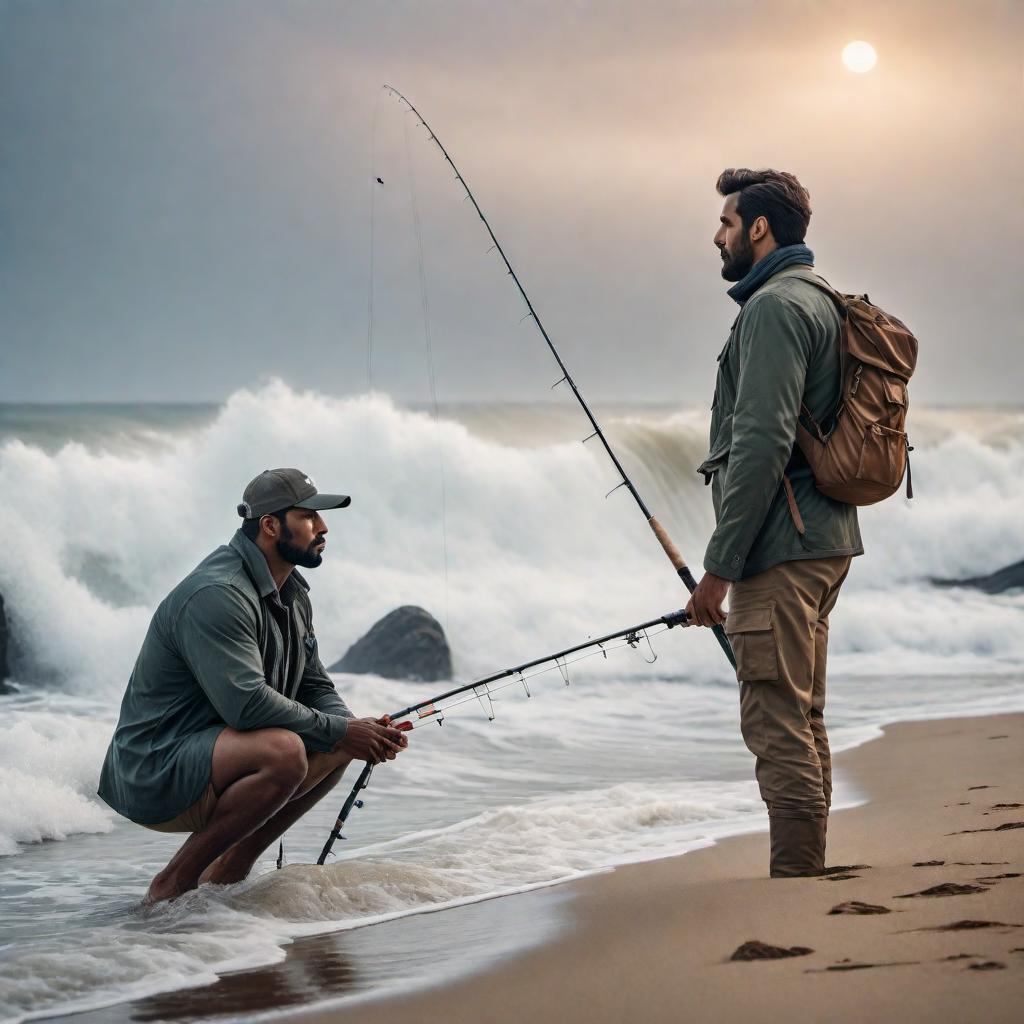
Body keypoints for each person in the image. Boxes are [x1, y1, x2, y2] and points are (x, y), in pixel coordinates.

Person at [98, 468, 409, 903]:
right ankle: (173, 884)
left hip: (214, 753)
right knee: (285, 751)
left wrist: (353, 728)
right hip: (153, 767)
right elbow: (246, 706)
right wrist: (341, 729)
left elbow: (314, 683)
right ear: (270, 525)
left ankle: (227, 874)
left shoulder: (293, 591)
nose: (323, 528)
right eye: (308, 517)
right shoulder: (217, 594)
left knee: (339, 738)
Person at [685, 169, 863, 877]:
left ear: (759, 228)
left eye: (726, 223)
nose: (718, 236)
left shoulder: (773, 308)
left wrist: (717, 571)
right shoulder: (819, 298)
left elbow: (760, 444)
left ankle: (797, 878)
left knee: (775, 719)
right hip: (824, 538)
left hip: (781, 548)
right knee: (803, 713)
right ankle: (808, 866)